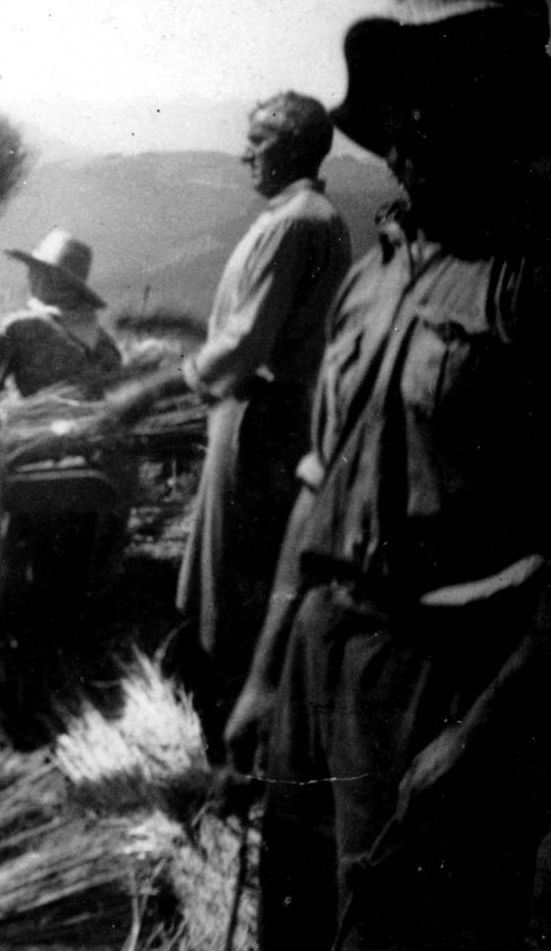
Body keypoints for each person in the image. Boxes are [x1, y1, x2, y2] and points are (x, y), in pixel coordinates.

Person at [224, 0, 551, 948]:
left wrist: (478, 740)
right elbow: (315, 487)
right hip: (316, 654)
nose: (411, 123)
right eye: (401, 98)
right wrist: (263, 675)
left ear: (503, 110)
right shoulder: (374, 276)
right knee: (294, 914)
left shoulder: (540, 283)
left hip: (438, 681)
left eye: (444, 96)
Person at [171, 92, 352, 755]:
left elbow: (245, 342)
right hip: (266, 415)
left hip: (259, 420)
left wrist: (165, 382)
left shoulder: (294, 223)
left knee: (234, 580)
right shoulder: (308, 218)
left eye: (259, 140)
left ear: (295, 145)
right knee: (236, 572)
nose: (246, 153)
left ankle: (233, 749)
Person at [0, 228, 122, 407]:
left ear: (46, 277)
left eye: (34, 270)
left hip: (29, 429)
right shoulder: (105, 343)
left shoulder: (17, 329)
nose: (29, 276)